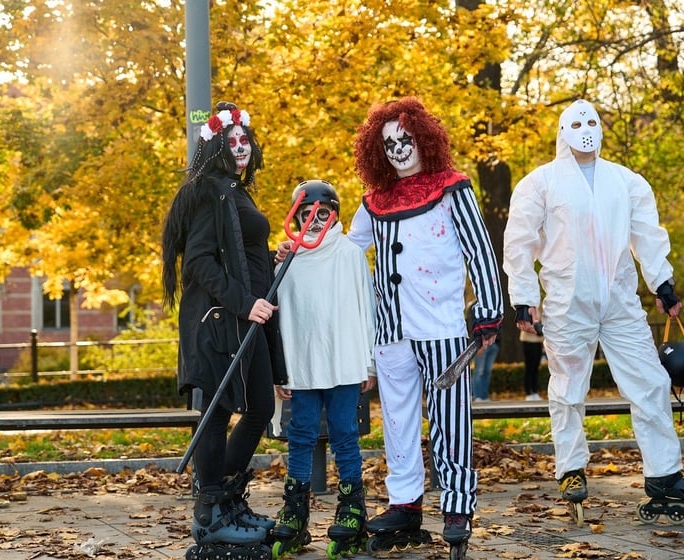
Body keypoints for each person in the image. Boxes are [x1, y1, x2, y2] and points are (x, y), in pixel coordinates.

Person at [503, 99, 684, 513]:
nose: (585, 129)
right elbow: (519, 241)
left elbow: (647, 234)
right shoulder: (539, 183)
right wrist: (524, 298)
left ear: (601, 128)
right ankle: (571, 468)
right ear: (562, 132)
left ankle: (664, 474)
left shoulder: (626, 181)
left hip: (620, 301)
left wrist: (662, 283)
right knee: (568, 388)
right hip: (567, 301)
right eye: (576, 123)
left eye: (592, 121)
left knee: (651, 381)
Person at [347, 97, 503, 553]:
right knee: (397, 422)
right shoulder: (373, 202)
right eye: (389, 144)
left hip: (443, 330)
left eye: (406, 139)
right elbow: (347, 250)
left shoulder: (453, 189)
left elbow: (479, 250)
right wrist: (300, 251)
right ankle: (405, 503)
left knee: (451, 422)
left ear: (423, 139)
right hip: (392, 333)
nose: (398, 149)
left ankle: (456, 505)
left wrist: (488, 311)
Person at [161, 101, 287, 560]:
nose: (240, 147)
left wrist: (271, 258)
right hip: (219, 322)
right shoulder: (208, 193)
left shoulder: (237, 191)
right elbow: (198, 262)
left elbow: (238, 254)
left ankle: (227, 500)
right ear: (216, 147)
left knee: (259, 410)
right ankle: (210, 512)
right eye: (231, 141)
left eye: (244, 140)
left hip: (248, 321)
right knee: (216, 414)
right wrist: (244, 302)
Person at [267, 180, 377, 557]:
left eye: (323, 213)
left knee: (345, 433)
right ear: (295, 216)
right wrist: (279, 371)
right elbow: (277, 319)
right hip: (302, 365)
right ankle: (295, 509)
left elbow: (366, 308)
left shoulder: (349, 254)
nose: (314, 220)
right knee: (301, 433)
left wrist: (369, 363)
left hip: (344, 362)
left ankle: (351, 509)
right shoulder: (287, 259)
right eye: (306, 213)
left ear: (335, 215)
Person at [520, 328, 544, 401]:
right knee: (529, 367)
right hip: (529, 339)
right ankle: (528, 392)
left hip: (539, 340)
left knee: (536, 367)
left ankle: (535, 391)